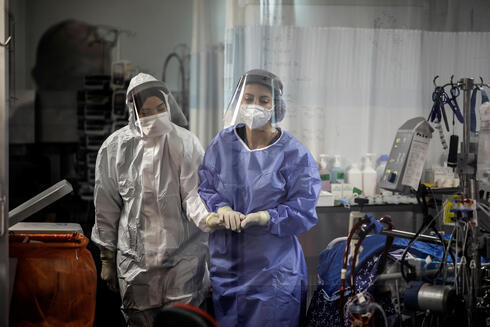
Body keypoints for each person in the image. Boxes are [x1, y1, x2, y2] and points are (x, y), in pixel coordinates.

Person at [198, 69, 321, 326]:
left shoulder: (294, 153)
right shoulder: (223, 144)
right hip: (228, 267)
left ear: (276, 105)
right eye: (248, 98)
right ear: (238, 101)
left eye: (263, 100)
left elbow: (304, 207)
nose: (255, 106)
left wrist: (266, 217)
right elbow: (206, 186)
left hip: (273, 272)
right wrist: (222, 208)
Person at [91, 73, 215, 326]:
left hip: (183, 257)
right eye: (146, 111)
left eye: (160, 109)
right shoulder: (115, 148)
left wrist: (208, 218)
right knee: (139, 318)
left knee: (182, 320)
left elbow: (194, 194)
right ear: (133, 111)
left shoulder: (185, 142)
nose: (155, 116)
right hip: (136, 260)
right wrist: (106, 259)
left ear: (168, 106)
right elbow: (106, 208)